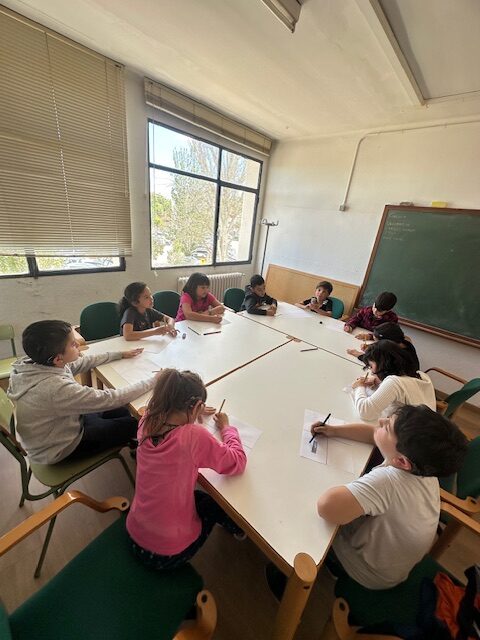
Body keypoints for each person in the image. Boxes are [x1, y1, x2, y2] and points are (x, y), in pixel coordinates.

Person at [312, 404, 468, 589]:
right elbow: (375, 433)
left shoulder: (389, 482)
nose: (381, 421)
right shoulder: (423, 466)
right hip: (394, 562)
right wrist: (333, 430)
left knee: (315, 520)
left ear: (402, 461)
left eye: (387, 427)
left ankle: (331, 567)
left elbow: (327, 507)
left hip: (368, 572)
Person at [126, 369, 247, 570]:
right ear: (197, 406)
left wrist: (192, 414)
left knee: (196, 498)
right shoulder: (193, 437)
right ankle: (240, 529)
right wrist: (227, 428)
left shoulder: (147, 419)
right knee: (213, 504)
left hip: (135, 532)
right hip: (165, 555)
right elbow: (237, 461)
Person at [7, 320, 156, 465]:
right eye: (73, 344)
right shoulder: (54, 388)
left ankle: (134, 439)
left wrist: (119, 354)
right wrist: (155, 380)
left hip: (61, 426)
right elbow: (111, 398)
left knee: (125, 411)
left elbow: (83, 362)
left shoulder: (37, 365)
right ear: (58, 359)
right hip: (60, 448)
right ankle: (148, 451)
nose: (78, 344)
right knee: (140, 422)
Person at [349, 341, 435, 421]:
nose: (371, 372)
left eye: (371, 366)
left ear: (382, 365)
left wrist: (360, 386)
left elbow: (365, 412)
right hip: (428, 425)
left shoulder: (394, 382)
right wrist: (379, 381)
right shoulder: (421, 375)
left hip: (409, 430)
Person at [347, 322, 420, 371]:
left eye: (377, 342)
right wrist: (371, 347)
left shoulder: (397, 358)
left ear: (387, 342)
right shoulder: (403, 343)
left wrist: (360, 355)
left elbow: (379, 366)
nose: (376, 343)